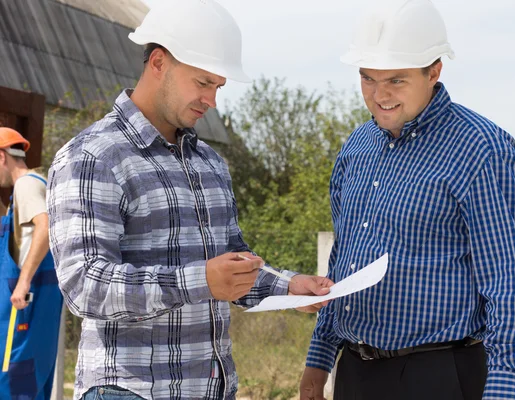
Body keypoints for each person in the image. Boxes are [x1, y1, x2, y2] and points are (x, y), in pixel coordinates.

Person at [46, 1, 332, 399]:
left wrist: (287, 287)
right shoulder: (93, 157)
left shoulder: (210, 164)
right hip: (131, 390)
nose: (211, 100)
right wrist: (202, 281)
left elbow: (232, 265)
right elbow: (84, 286)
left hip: (212, 389)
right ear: (159, 62)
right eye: (202, 83)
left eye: (218, 86)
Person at [299, 1, 515, 399]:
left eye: (396, 80)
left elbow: (510, 279)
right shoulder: (357, 147)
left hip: (440, 375)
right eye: (367, 79)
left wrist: (503, 384)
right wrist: (320, 356)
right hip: (355, 374)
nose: (379, 96)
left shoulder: (480, 149)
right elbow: (344, 261)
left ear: (434, 71)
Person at [0, 127, 62, 399]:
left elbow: (44, 227)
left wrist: (22, 282)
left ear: (2, 157)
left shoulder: (26, 184)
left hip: (23, 306)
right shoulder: (35, 185)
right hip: (36, 305)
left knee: (13, 383)